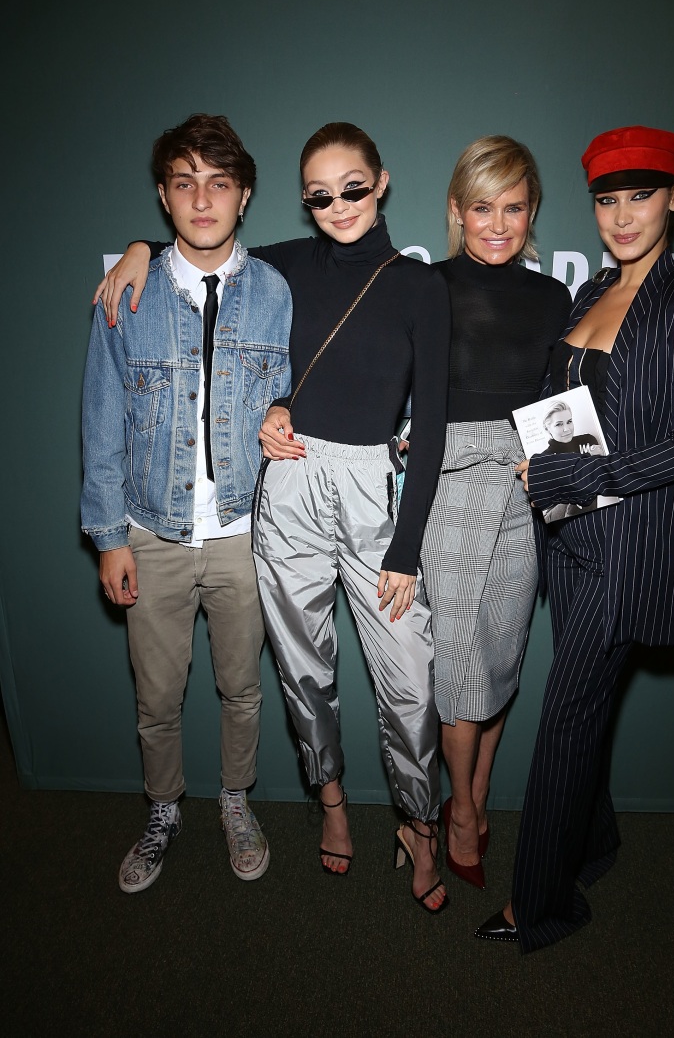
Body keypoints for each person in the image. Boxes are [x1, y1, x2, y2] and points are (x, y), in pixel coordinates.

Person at [92, 122, 452, 913]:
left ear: (382, 182)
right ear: (302, 200)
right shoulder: (285, 265)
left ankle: (421, 824)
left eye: (353, 187)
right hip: (285, 486)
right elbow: (200, 239)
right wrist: (138, 247)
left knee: (409, 681)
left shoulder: (422, 285)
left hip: (373, 494)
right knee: (300, 671)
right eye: (320, 194)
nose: (338, 205)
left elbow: (433, 426)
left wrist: (408, 542)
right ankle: (331, 806)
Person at [475, 125, 674, 950]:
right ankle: (596, 843)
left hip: (624, 551)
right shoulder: (589, 296)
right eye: (608, 200)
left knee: (566, 721)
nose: (621, 217)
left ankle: (539, 904)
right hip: (566, 544)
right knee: (587, 713)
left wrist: (566, 478)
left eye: (641, 196)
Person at [82, 114, 292, 893]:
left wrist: (289, 407)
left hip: (246, 534)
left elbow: (303, 387)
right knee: (156, 696)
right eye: (184, 182)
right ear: (164, 197)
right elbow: (101, 420)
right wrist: (109, 536)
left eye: (219, 182)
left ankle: (235, 798)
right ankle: (163, 808)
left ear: (244, 196)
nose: (202, 199)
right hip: (152, 530)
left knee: (243, 686)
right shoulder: (126, 296)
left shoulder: (276, 293)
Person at [419, 137, 571, 889]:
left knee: (502, 656)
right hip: (448, 480)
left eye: (513, 207)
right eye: (482, 207)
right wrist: (145, 247)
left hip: (523, 481)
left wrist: (555, 476)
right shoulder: (425, 285)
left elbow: (561, 404)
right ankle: (463, 814)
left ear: (531, 211)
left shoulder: (552, 298)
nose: (499, 223)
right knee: (461, 668)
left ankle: (470, 795)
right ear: (457, 210)